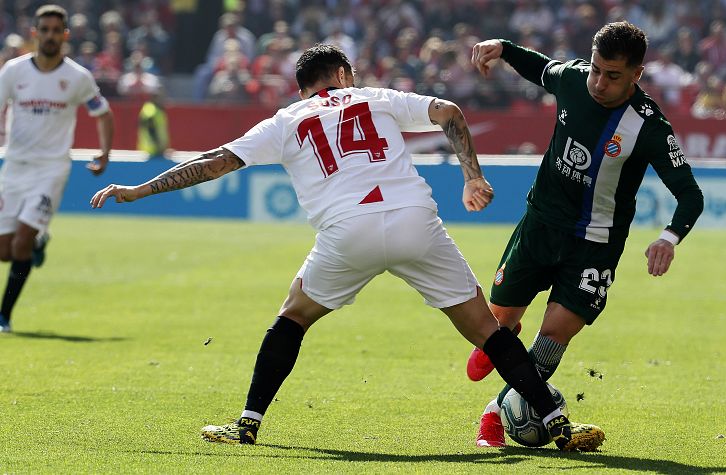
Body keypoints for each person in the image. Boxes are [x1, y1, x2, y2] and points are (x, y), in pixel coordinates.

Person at [90, 44, 604, 451]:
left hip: (347, 232)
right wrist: (472, 176)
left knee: (292, 318)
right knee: (487, 330)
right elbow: (448, 111)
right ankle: (557, 420)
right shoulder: (374, 98)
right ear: (339, 75)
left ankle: (248, 423)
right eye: (350, 72)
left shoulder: (286, 121)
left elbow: (215, 162)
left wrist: (139, 188)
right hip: (413, 222)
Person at [466, 21, 704, 447]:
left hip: (595, 245)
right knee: (498, 322)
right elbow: (539, 67)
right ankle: (505, 334)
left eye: (613, 75)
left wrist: (668, 238)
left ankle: (495, 415)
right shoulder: (574, 80)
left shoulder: (649, 127)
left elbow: (690, 195)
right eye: (596, 69)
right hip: (540, 224)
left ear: (637, 74)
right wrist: (501, 46)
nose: (599, 82)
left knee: (554, 336)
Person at [0, 5, 114, 333]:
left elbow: (103, 114)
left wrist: (104, 153)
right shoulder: (13, 71)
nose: (50, 36)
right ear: (34, 33)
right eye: (44, 30)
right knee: (5, 251)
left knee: (20, 242)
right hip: (15, 167)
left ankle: (4, 315)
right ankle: (39, 241)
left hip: (51, 169)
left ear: (65, 35)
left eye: (56, 31)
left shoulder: (77, 77)